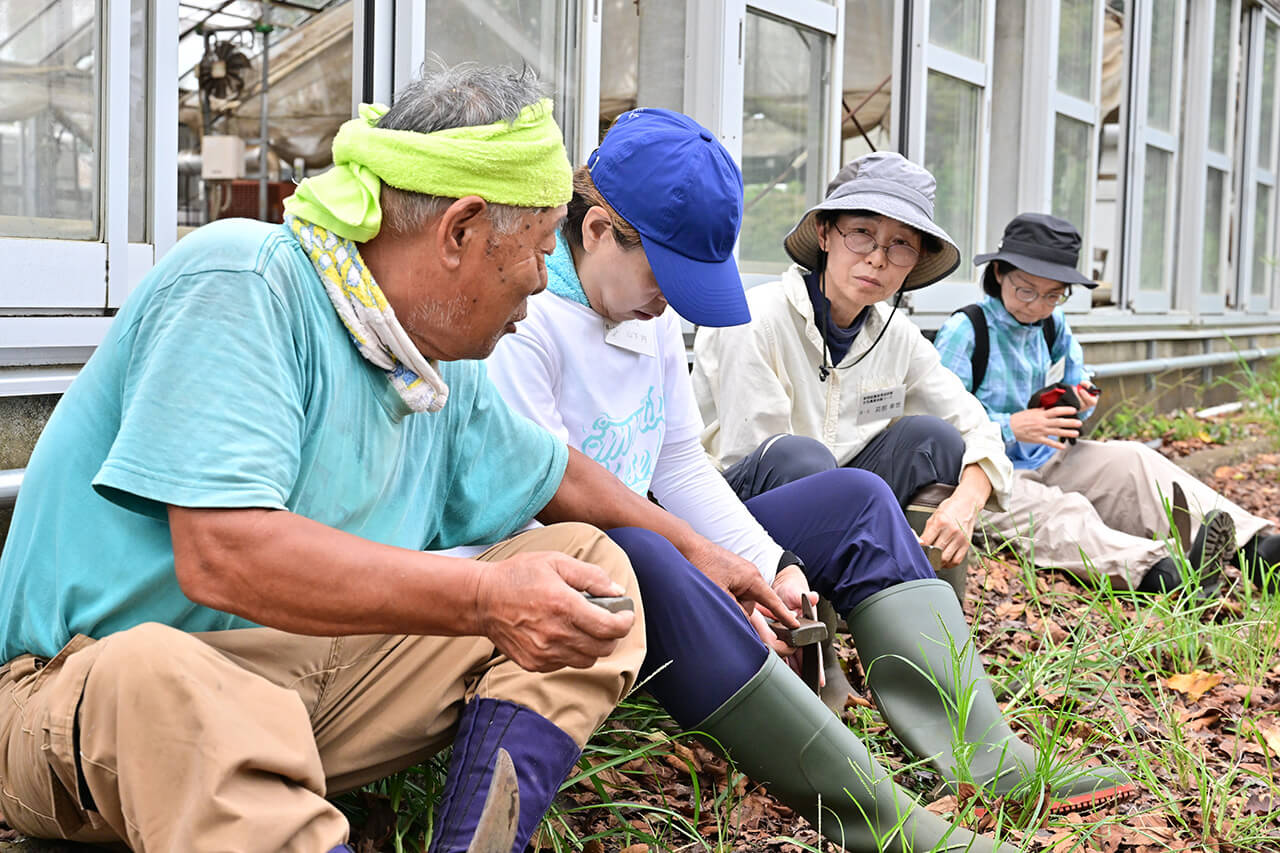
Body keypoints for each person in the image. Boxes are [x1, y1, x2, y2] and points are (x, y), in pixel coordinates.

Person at [0, 65, 792, 853]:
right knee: (160, 677)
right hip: (82, 695)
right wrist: (483, 595)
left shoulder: (437, 367)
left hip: (288, 685)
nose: (531, 305)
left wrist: (701, 552)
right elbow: (224, 555)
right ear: (461, 230)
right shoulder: (243, 283)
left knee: (595, 570)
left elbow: (561, 478)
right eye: (529, 265)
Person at [484, 108, 1132, 849]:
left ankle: (983, 752)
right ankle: (887, 825)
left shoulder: (646, 307)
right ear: (598, 229)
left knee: (859, 498)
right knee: (657, 553)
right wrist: (715, 561)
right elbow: (553, 484)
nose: (671, 301)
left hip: (652, 534)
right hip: (575, 561)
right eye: (667, 276)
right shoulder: (522, 317)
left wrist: (772, 565)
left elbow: (678, 461)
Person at [691, 152, 1013, 589]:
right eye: (862, 234)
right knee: (799, 458)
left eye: (901, 245)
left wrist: (967, 502)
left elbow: (979, 428)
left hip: (843, 512)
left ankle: (927, 621)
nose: (878, 259)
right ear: (825, 234)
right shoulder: (753, 319)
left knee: (933, 440)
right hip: (739, 517)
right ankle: (804, 626)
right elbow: (757, 458)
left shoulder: (896, 336)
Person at [933, 212, 1279, 593]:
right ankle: (1164, 575)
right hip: (982, 476)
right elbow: (938, 426)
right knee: (1059, 512)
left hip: (1049, 456)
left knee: (1135, 460)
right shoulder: (965, 331)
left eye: (1053, 295)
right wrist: (1010, 426)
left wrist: (1081, 399)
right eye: (1026, 290)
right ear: (998, 272)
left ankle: (1256, 550)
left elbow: (1080, 380)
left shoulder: (1053, 324)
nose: (1037, 306)